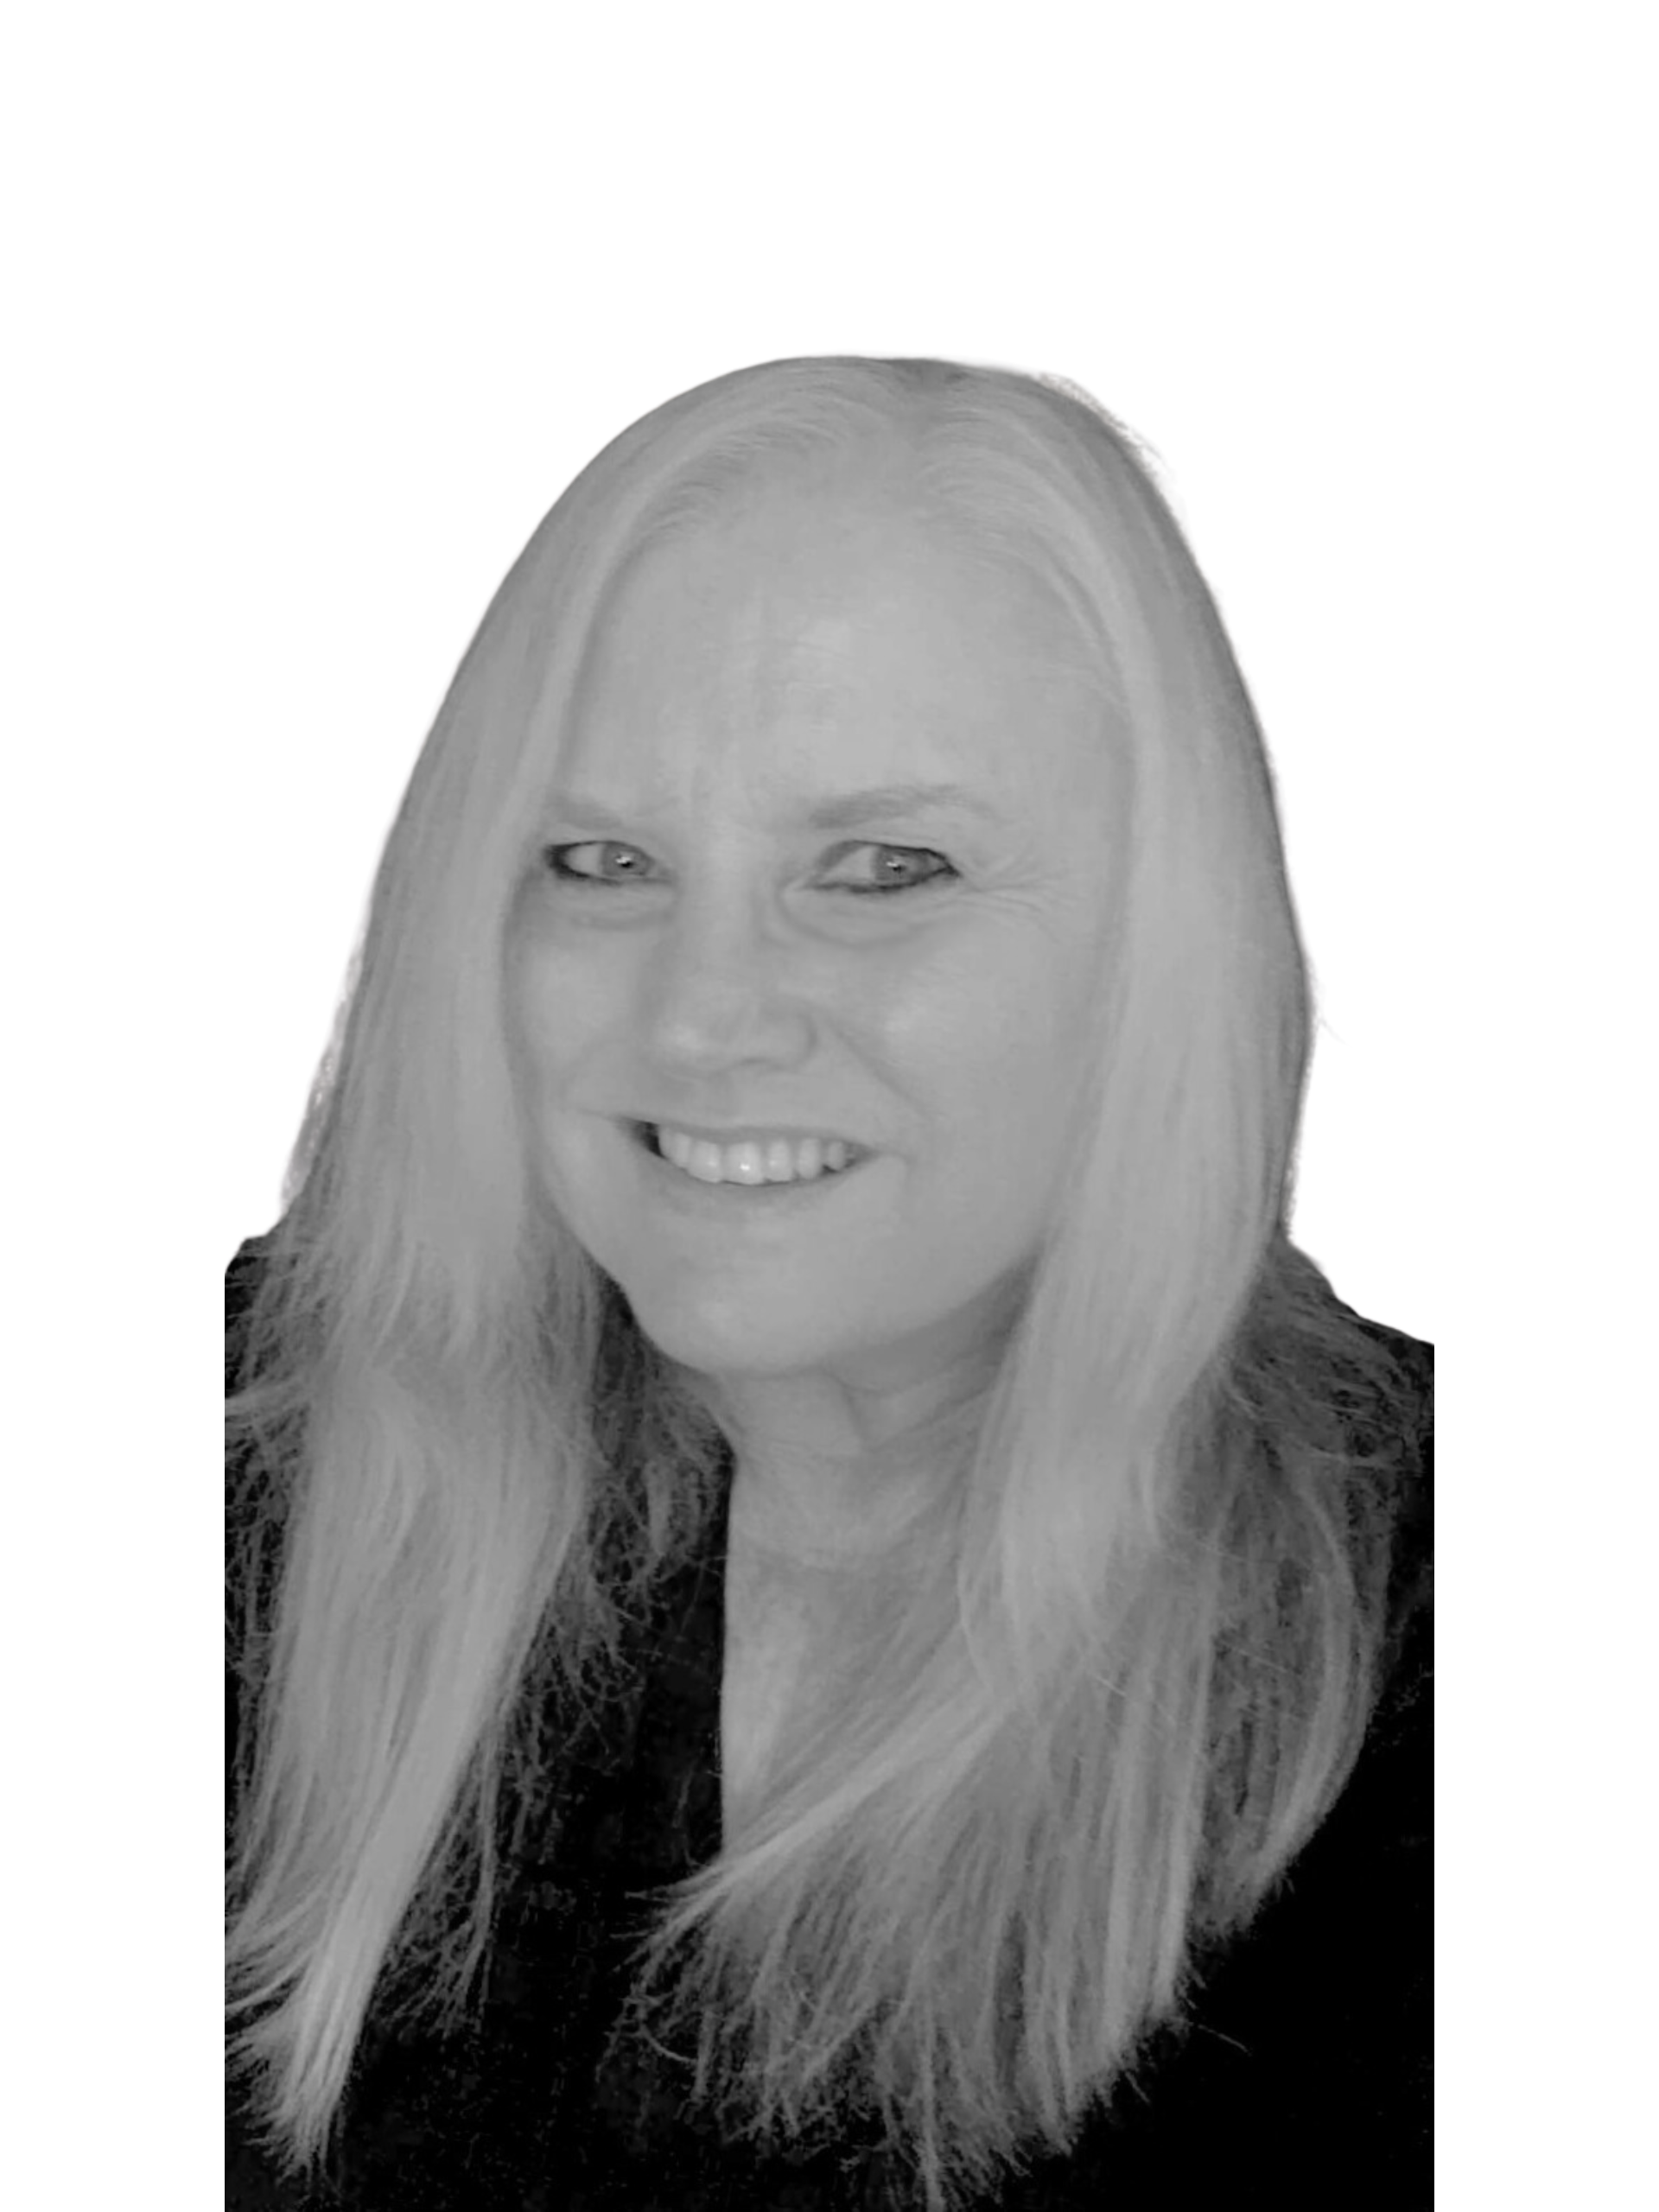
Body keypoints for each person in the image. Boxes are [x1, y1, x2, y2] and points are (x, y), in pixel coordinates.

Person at [226, 353, 1433, 2210]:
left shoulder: (1399, 1642)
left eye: (886, 867)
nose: (703, 1011)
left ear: (1159, 949)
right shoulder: (268, 1510)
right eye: (604, 857)